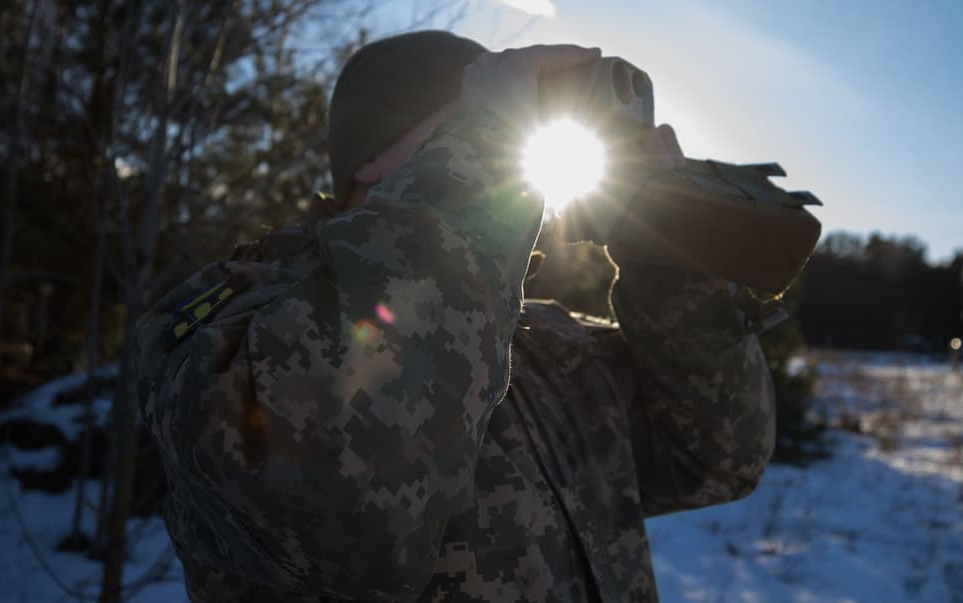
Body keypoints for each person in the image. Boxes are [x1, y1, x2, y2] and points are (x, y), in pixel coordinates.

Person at [136, 30, 775, 602]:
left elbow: (716, 461)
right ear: (373, 156)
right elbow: (338, 503)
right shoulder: (241, 317)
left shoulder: (548, 341)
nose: (505, 140)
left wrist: (669, 266)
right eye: (468, 121)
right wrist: (486, 141)